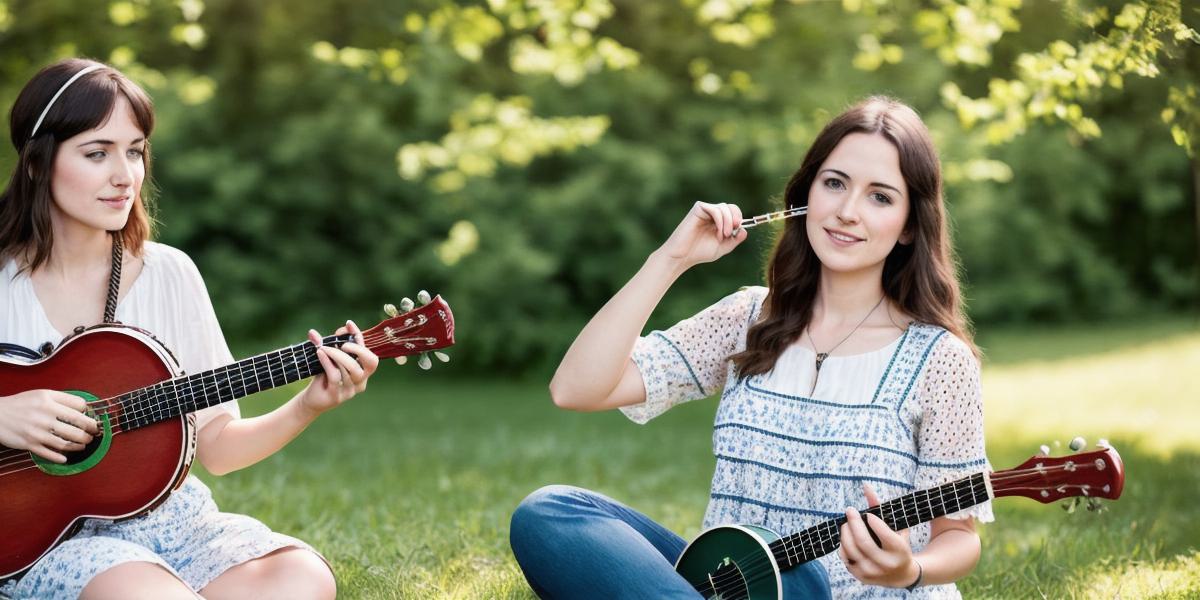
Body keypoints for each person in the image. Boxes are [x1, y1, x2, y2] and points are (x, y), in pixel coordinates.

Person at [509, 96, 992, 599]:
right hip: (729, 586)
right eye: (834, 184)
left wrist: (908, 569)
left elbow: (957, 537)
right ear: (805, 195)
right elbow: (576, 388)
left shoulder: (939, 358)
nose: (848, 212)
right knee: (549, 514)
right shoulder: (748, 318)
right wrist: (671, 259)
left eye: (880, 197)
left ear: (911, 225)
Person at [0, 58, 379, 599]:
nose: (124, 175)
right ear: (38, 163)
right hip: (47, 540)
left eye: (134, 151)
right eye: (96, 153)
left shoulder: (169, 272)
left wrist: (308, 405)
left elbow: (218, 446)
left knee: (302, 579)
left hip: (172, 526)